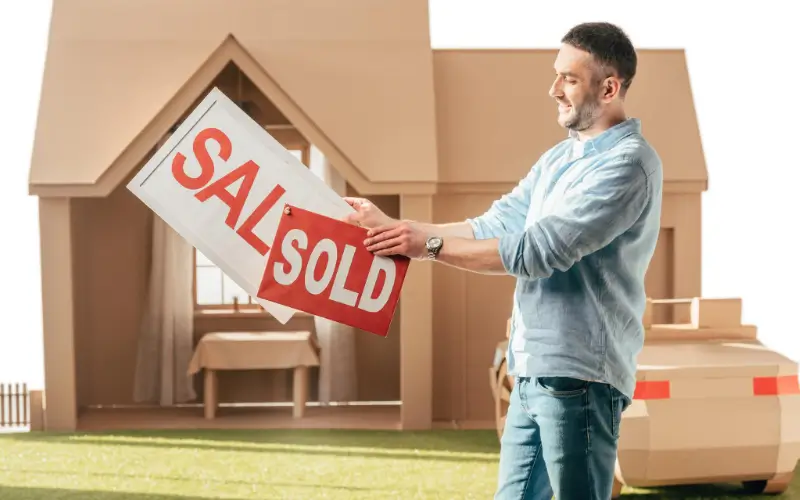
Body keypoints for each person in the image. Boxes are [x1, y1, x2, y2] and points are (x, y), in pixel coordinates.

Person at [343, 21, 662, 500]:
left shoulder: (628, 165)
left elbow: (538, 251)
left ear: (610, 87)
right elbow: (495, 224)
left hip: (580, 376)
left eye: (569, 79)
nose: (553, 89)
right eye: (556, 75)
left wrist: (424, 247)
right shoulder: (558, 159)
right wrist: (396, 227)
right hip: (531, 368)